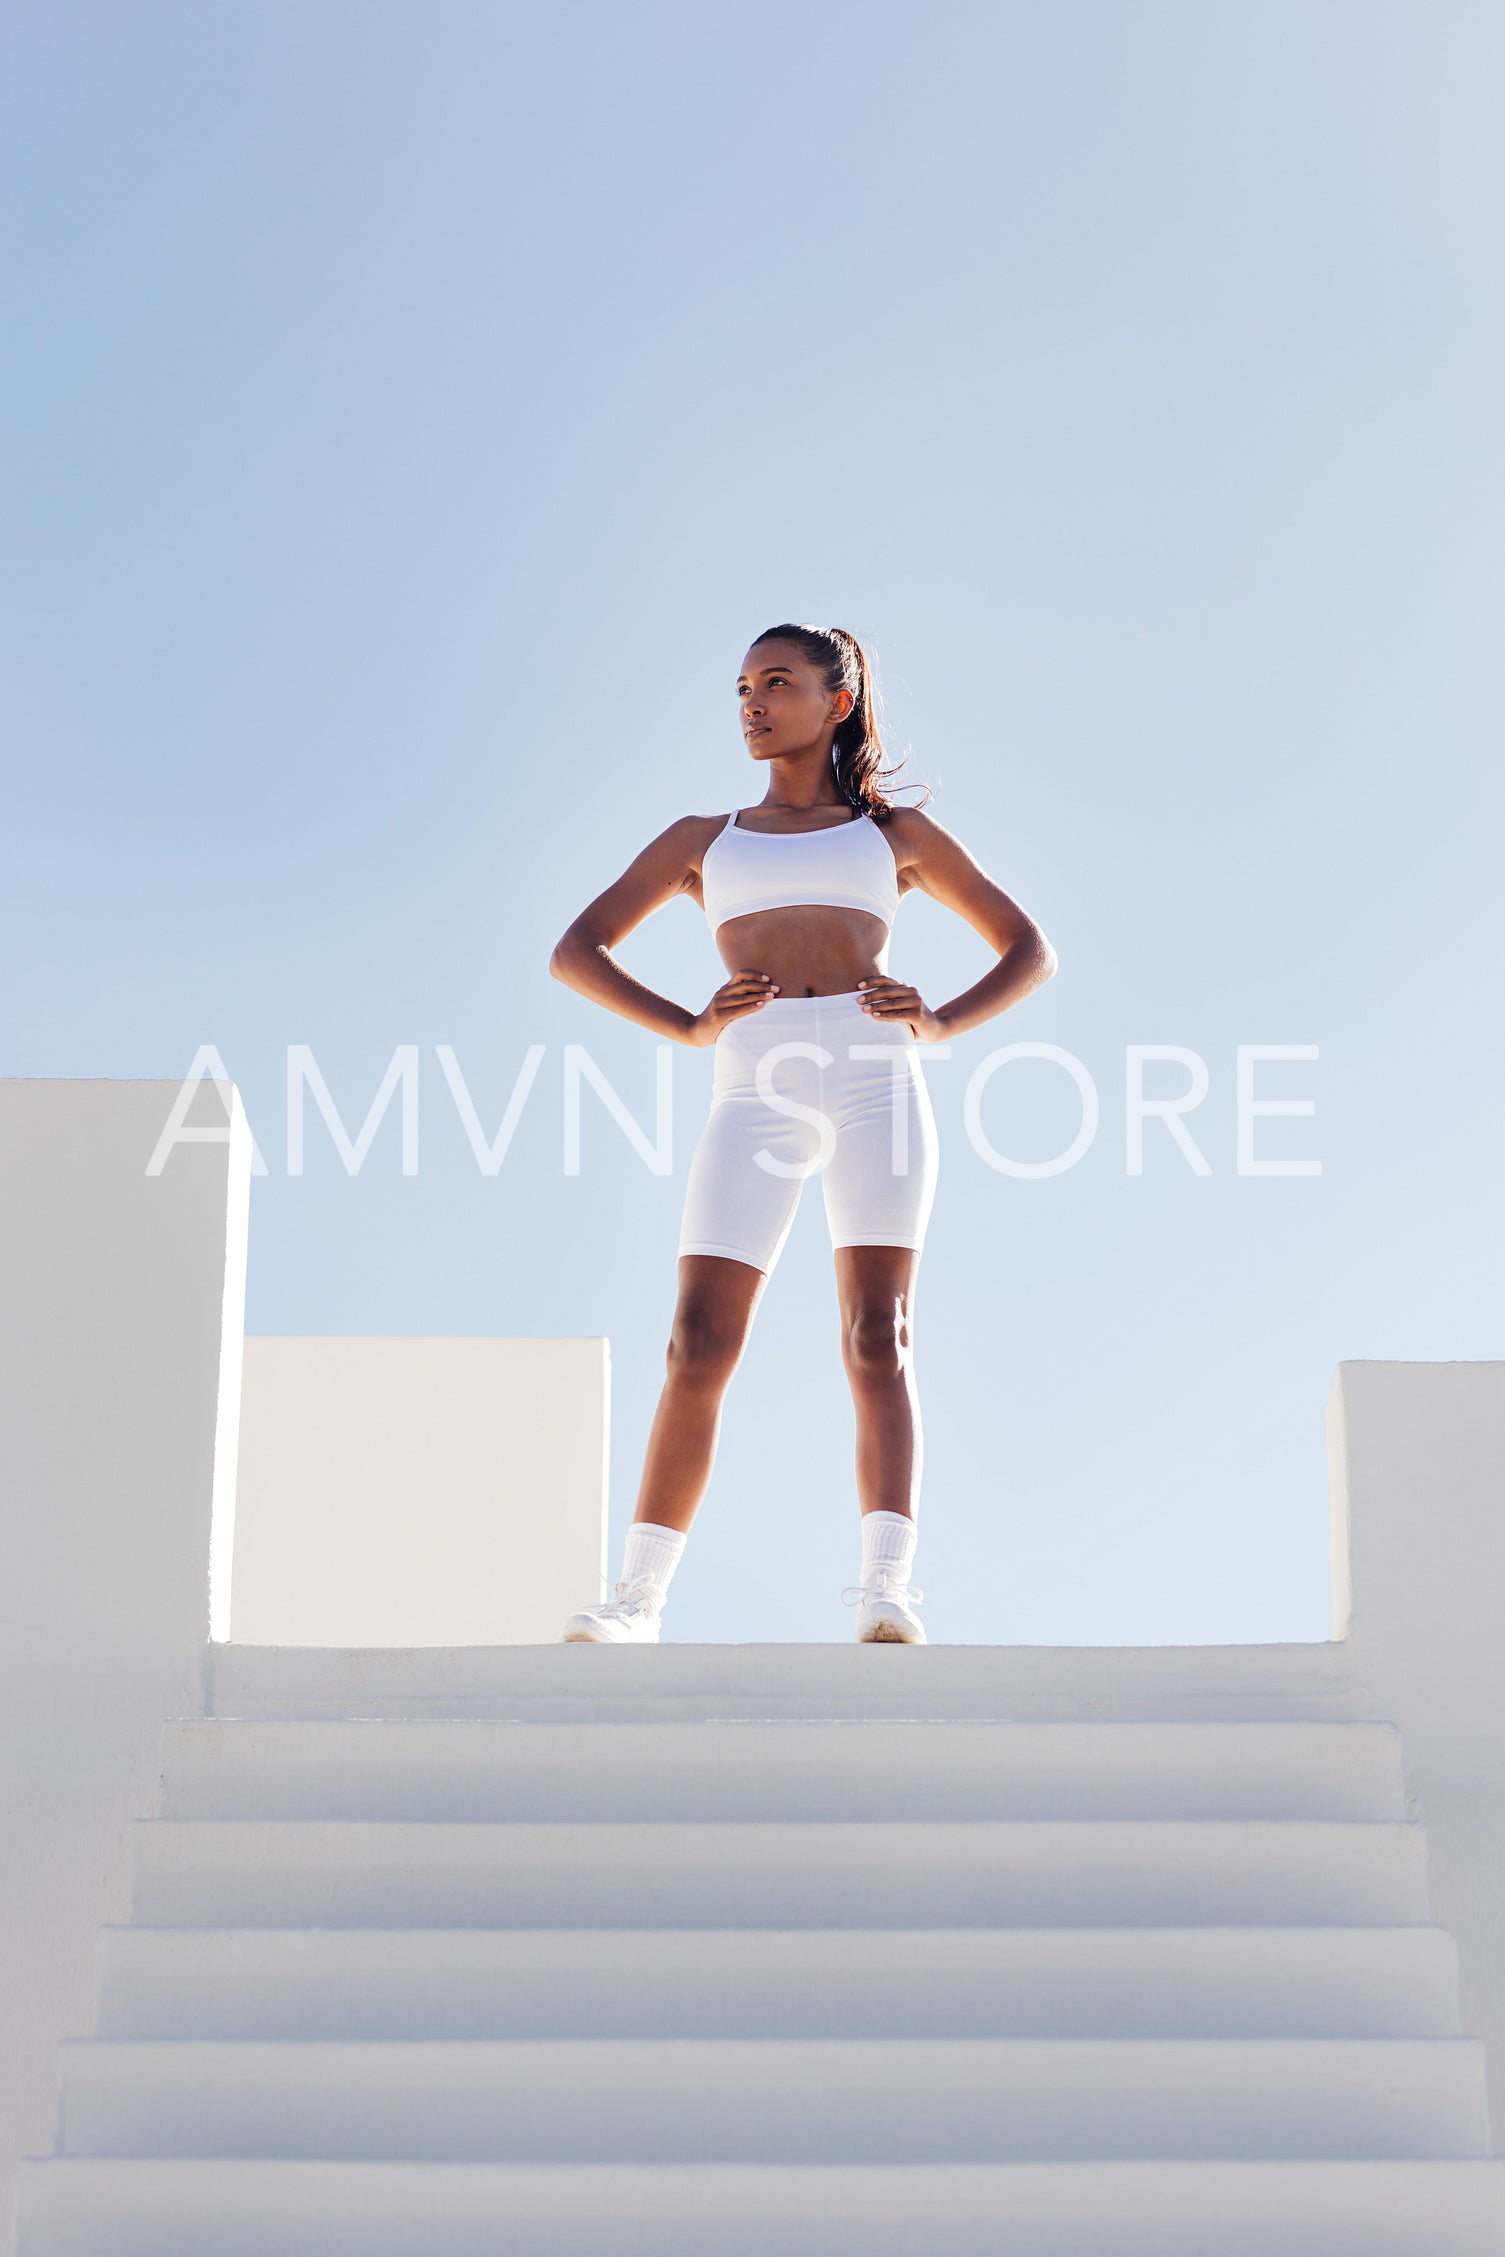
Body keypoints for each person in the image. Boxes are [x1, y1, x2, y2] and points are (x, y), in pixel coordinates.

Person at [548, 623, 1057, 1645]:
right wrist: (688, 1026)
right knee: (697, 1339)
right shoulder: (702, 838)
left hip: (877, 1079)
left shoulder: (893, 836)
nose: (750, 703)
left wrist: (941, 1020)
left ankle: (885, 1590)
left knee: (879, 1334)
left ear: (835, 700)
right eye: (740, 686)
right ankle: (636, 1602)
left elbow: (1026, 948)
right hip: (755, 1086)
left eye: (775, 683)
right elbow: (577, 949)